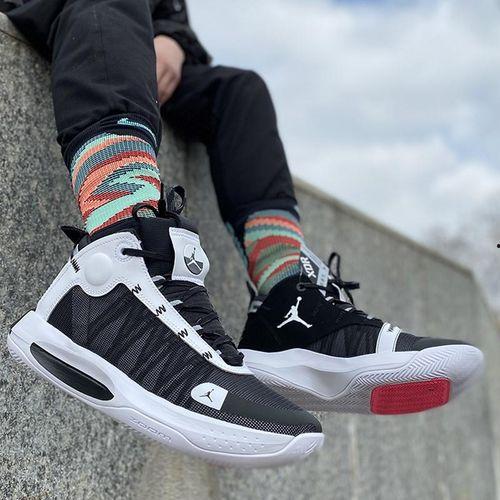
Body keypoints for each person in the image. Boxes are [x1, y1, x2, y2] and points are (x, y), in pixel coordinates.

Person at [3, 0, 483, 466]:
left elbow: (168, 11)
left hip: (132, 43)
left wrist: (173, 38)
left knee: (241, 91)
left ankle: (284, 301)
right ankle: (113, 267)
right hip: (62, 15)